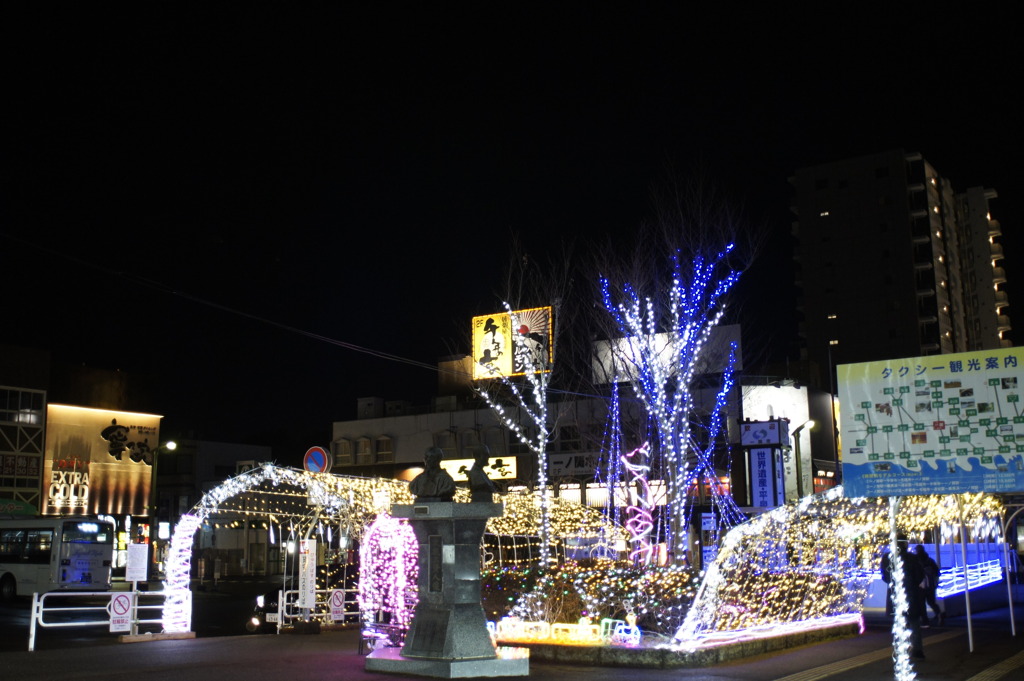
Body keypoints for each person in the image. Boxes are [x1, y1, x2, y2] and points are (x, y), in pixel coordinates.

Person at [888, 540, 926, 659]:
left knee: (900, 622)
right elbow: (920, 575)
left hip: (896, 594)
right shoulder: (912, 558)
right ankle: (917, 650)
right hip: (911, 593)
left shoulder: (890, 558)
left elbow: (885, 575)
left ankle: (901, 650)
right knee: (914, 623)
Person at [915, 544, 945, 626]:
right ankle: (938, 614)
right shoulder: (929, 560)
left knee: (921, 603)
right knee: (931, 601)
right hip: (931, 585)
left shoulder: (916, 560)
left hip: (921, 585)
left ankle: (925, 620)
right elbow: (937, 572)